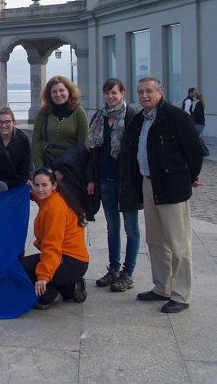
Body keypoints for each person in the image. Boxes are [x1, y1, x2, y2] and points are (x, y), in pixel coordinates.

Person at [119, 77, 202, 314]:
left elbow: (194, 152)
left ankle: (181, 294)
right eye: (141, 92)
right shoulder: (138, 120)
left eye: (149, 91)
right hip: (148, 183)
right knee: (155, 239)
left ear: (160, 92)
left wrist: (188, 177)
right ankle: (162, 287)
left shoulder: (175, 117)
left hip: (172, 185)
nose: (144, 95)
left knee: (178, 243)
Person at [85, 78, 140, 292]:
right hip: (105, 181)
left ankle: (128, 273)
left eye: (114, 93)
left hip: (126, 182)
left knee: (131, 229)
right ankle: (114, 270)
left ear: (122, 93)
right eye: (107, 93)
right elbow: (92, 152)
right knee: (112, 228)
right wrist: (91, 179)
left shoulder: (132, 117)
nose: (110, 96)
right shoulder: (99, 117)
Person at [20, 167, 89, 310]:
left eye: (44, 185)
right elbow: (40, 198)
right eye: (37, 185)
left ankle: (49, 295)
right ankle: (71, 289)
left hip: (70, 261)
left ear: (54, 185)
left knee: (20, 270)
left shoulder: (55, 209)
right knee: (25, 266)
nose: (40, 189)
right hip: (72, 260)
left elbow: (52, 246)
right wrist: (29, 191)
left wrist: (43, 276)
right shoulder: (52, 197)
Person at [32, 75, 89, 168]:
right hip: (48, 166)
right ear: (49, 94)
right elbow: (36, 143)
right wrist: (40, 169)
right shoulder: (43, 112)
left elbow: (83, 145)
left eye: (61, 90)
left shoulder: (79, 112)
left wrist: (63, 170)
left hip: (71, 168)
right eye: (54, 91)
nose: (58, 94)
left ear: (69, 91)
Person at [0, 107, 33, 189]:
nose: (3, 125)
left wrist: (20, 184)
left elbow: (27, 163)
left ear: (14, 123)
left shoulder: (23, 138)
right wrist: (0, 185)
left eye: (7, 122)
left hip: (20, 182)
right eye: (0, 122)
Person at [191, 90, 209, 156]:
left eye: (193, 95)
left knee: (197, 138)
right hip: (198, 123)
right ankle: (203, 152)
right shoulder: (196, 103)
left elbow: (197, 114)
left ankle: (205, 152)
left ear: (196, 96)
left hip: (198, 124)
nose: (192, 97)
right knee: (198, 138)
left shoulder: (198, 104)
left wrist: (192, 120)